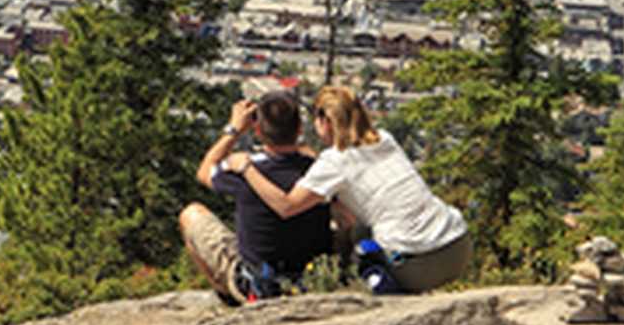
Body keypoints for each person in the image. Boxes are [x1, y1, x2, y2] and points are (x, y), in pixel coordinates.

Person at [225, 85, 470, 293]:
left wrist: (247, 168)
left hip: (418, 266)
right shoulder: (385, 139)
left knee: (355, 236)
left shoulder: (334, 162)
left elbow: (287, 206)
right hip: (457, 245)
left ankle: (365, 285)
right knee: (361, 225)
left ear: (326, 122)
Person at [180, 92, 332, 304]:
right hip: (310, 276)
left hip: (257, 283)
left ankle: (227, 295)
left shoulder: (244, 169)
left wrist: (233, 130)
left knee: (191, 214)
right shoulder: (321, 170)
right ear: (299, 129)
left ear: (258, 131)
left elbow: (204, 171)